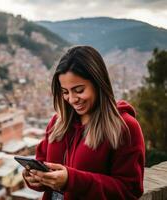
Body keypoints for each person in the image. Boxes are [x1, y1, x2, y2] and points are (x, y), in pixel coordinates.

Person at [22, 46, 145, 200]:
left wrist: (71, 180)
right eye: (65, 92)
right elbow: (42, 162)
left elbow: (129, 191)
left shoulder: (125, 128)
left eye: (79, 90)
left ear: (98, 83)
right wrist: (34, 178)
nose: (72, 99)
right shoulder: (57, 123)